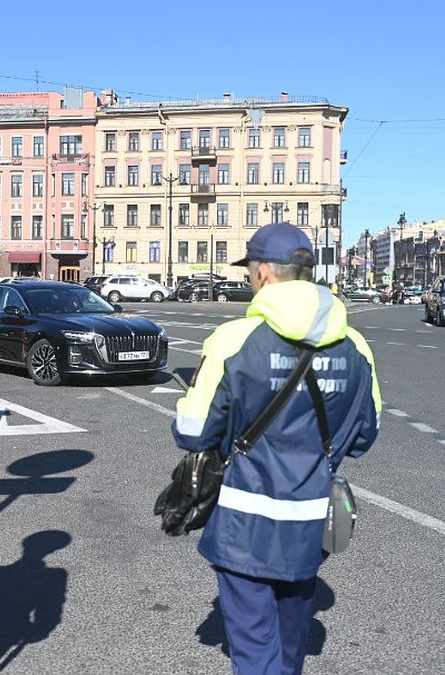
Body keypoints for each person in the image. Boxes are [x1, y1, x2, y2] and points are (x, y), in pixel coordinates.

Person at [172, 222, 381, 675]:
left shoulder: (233, 340)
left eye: (249, 268)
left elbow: (192, 432)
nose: (249, 277)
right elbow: (365, 436)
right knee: (289, 649)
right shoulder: (357, 347)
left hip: (244, 523)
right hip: (311, 524)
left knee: (253, 650)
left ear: (264, 271)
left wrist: (191, 399)